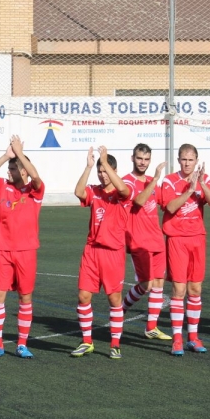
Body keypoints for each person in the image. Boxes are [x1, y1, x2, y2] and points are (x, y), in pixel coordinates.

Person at [0, 135, 45, 359]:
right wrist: (7, 156)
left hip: (26, 252)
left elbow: (35, 176)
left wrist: (20, 156)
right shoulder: (2, 188)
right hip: (3, 251)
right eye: (9, 168)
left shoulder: (34, 191)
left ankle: (22, 344)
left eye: (13, 168)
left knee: (25, 297)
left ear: (23, 171)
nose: (9, 172)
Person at [71, 146, 131, 358]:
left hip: (113, 253)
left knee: (114, 300)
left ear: (114, 170)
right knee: (83, 295)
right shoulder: (95, 191)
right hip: (92, 251)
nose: (102, 174)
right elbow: (79, 192)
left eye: (106, 170)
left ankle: (115, 344)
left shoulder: (122, 193)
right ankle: (87, 341)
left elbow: (124, 189)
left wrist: (105, 160)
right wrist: (89, 167)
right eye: (100, 171)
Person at [158, 144, 210, 356]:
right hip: (177, 239)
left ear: (196, 160)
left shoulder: (204, 179)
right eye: (183, 159)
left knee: (195, 290)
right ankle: (177, 339)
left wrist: (200, 183)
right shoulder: (169, 181)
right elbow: (171, 207)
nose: (187, 163)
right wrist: (190, 190)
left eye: (190, 160)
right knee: (179, 290)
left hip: (197, 238)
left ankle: (193, 337)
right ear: (178, 160)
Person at [120, 144, 172, 341]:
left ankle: (151, 327)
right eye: (140, 158)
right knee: (145, 284)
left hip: (156, 239)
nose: (143, 163)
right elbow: (139, 201)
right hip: (138, 240)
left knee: (158, 283)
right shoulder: (128, 182)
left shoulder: (152, 182)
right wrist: (156, 179)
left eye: (146, 159)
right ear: (132, 158)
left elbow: (164, 203)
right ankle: (122, 309)